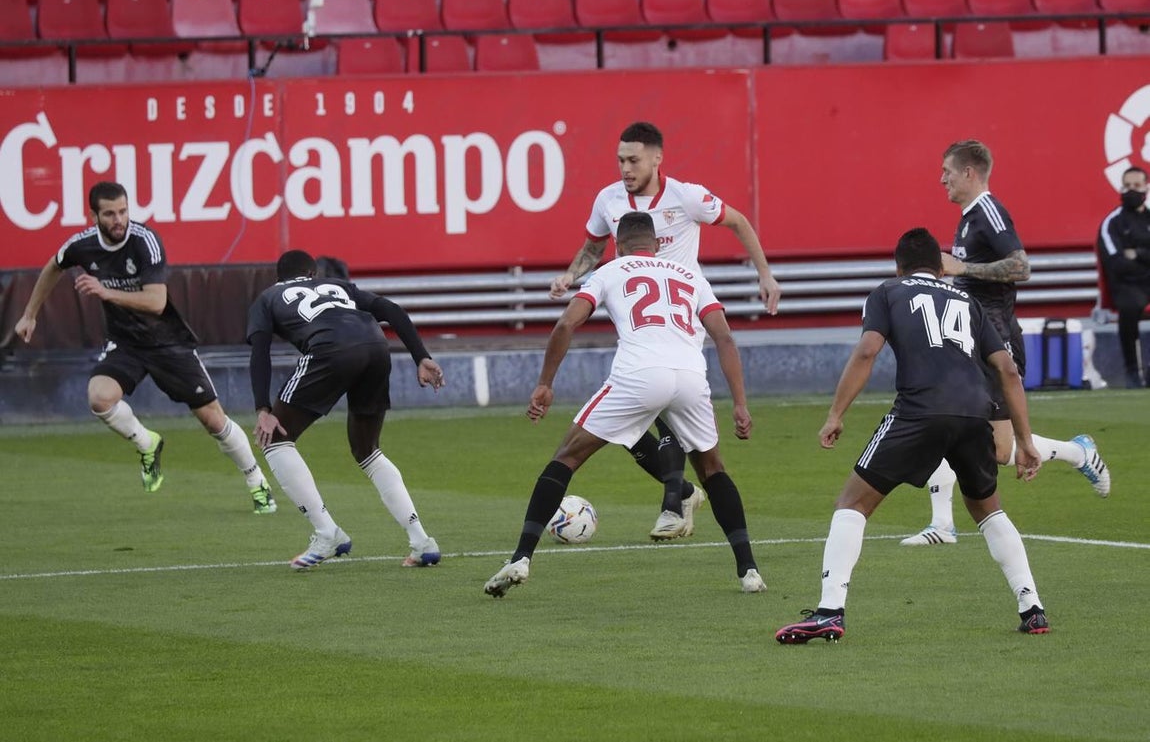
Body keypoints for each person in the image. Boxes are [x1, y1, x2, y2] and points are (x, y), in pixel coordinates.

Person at [776, 228, 1050, 643]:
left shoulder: (888, 292)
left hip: (920, 410)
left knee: (852, 503)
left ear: (898, 265)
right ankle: (1032, 608)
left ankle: (829, 612)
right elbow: (1007, 370)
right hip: (974, 412)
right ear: (941, 268)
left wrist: (835, 414)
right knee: (988, 511)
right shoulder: (968, 301)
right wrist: (1025, 441)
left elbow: (867, 351)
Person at [485, 212, 766, 598]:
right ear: (658, 244)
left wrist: (545, 384)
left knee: (566, 457)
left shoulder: (611, 270)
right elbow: (724, 338)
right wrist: (740, 404)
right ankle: (749, 571)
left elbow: (566, 324)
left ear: (618, 245)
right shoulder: (690, 275)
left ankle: (520, 558)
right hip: (690, 377)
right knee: (713, 470)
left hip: (639, 375)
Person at [549, 121, 782, 541]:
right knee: (633, 425)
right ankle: (685, 493)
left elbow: (739, 222)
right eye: (620, 160)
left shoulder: (687, 197)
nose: (625, 168)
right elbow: (593, 248)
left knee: (664, 411)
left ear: (657, 158)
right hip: (639, 326)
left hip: (683, 324)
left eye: (633, 160)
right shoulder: (607, 200)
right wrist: (570, 275)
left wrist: (764, 274)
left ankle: (673, 505)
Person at [13, 181, 276, 514]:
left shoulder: (144, 241)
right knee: (99, 397)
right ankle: (146, 442)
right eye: (110, 214)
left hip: (167, 342)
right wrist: (29, 314)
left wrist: (106, 292)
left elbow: (156, 302)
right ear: (93, 216)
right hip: (125, 343)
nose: (118, 220)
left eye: (123, 211)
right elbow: (54, 265)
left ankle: (256, 481)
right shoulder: (82, 245)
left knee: (213, 420)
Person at [901, 140, 1111, 547]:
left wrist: (964, 267)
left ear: (969, 172)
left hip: (995, 339)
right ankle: (942, 524)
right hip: (968, 338)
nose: (941, 179)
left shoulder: (989, 212)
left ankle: (1079, 452)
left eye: (947, 171)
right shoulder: (967, 219)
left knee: (1000, 450)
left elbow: (1020, 266)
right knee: (944, 416)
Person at [247, 249, 446, 570]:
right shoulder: (338, 285)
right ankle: (422, 541)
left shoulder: (268, 297)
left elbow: (259, 353)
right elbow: (391, 309)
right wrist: (421, 356)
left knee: (276, 439)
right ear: (313, 274)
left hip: (329, 348)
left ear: (278, 277)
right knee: (368, 450)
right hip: (376, 346)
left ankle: (327, 533)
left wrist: (262, 408)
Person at [1097, 165, 1150, 388]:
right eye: (1127, 186)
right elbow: (1116, 263)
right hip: (1126, 285)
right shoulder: (1112, 223)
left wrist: (1137, 253)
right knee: (1130, 306)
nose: (1131, 190)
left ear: (1146, 188)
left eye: (1137, 185)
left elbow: (1128, 257)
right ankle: (1132, 372)